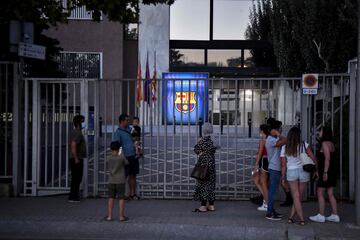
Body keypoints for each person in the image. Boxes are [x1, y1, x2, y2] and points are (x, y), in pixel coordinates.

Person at [280, 127, 317, 226]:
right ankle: (292, 218)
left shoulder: (284, 147)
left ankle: (300, 219)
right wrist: (316, 170)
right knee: (298, 197)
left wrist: (283, 177)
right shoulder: (304, 145)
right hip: (303, 171)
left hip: (291, 172)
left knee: (296, 197)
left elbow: (283, 165)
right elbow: (313, 158)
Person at [310, 126, 340, 223]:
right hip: (332, 171)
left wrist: (325, 172)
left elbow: (327, 158)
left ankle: (321, 215)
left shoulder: (324, 144)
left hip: (326, 172)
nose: (319, 132)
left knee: (320, 192)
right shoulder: (331, 144)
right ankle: (335, 215)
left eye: (321, 131)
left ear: (325, 132)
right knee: (330, 193)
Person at [114, 114, 140, 200]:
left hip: (133, 156)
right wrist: (120, 157)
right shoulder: (118, 132)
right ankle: (120, 194)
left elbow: (136, 138)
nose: (128, 122)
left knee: (133, 175)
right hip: (125, 157)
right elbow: (117, 146)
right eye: (127, 120)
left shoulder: (130, 129)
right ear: (122, 121)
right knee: (123, 176)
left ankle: (132, 194)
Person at [193, 122, 217, 212]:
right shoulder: (213, 140)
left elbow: (196, 150)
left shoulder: (203, 140)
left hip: (203, 165)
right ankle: (211, 205)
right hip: (212, 164)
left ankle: (203, 206)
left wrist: (201, 152)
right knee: (211, 184)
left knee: (203, 184)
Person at [265, 120, 287, 220]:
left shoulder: (274, 138)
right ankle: (269, 213)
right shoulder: (270, 139)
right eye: (279, 128)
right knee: (272, 191)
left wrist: (278, 134)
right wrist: (278, 134)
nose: (281, 130)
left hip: (276, 167)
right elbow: (285, 140)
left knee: (273, 191)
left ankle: (272, 210)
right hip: (274, 167)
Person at [105, 141, 129, 222]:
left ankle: (109, 216)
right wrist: (121, 154)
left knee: (111, 198)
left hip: (111, 180)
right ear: (119, 149)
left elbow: (107, 164)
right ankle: (121, 216)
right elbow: (127, 163)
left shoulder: (108, 158)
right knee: (121, 198)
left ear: (111, 148)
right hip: (120, 181)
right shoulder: (121, 157)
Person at [68, 115, 87, 203]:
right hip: (76, 158)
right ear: (79, 122)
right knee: (77, 178)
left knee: (76, 178)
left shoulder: (75, 131)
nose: (84, 123)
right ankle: (73, 197)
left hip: (75, 158)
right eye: (83, 121)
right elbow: (73, 145)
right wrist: (76, 158)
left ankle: (74, 195)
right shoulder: (77, 133)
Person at [253, 124, 270, 211]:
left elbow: (260, 152)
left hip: (263, 161)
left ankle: (267, 203)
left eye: (260, 130)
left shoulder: (263, 140)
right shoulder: (270, 139)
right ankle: (266, 200)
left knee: (263, 183)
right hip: (268, 162)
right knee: (257, 180)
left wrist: (256, 164)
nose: (259, 131)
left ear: (262, 131)